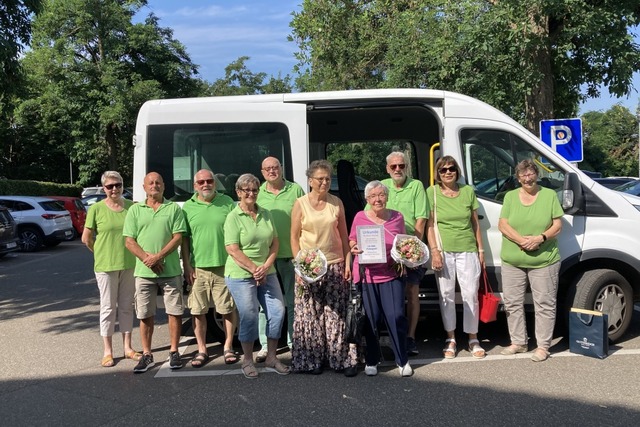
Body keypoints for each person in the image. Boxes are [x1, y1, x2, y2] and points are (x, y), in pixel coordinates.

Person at [290, 160, 358, 377]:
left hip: (335, 263)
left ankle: (341, 359)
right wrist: (300, 267)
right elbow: (293, 238)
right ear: (310, 181)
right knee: (309, 315)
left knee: (335, 315)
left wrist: (347, 262)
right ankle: (311, 361)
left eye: (328, 178)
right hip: (309, 267)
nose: (325, 182)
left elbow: (344, 235)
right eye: (320, 179)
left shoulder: (336, 202)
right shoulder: (300, 203)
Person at [224, 173, 289, 379]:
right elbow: (232, 249)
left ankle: (271, 357)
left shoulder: (266, 213)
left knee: (278, 311)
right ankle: (247, 360)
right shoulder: (233, 217)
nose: (251, 193)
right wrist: (254, 269)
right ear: (238, 192)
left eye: (254, 190)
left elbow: (275, 243)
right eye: (246, 190)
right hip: (241, 274)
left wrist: (265, 266)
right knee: (250, 315)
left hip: (267, 271)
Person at [498, 159, 563, 362]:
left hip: (544, 260)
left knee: (544, 303)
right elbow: (503, 224)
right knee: (512, 303)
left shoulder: (549, 195)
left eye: (530, 174)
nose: (527, 178)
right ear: (518, 178)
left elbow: (557, 225)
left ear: (536, 175)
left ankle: (543, 346)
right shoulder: (510, 197)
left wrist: (539, 238)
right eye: (523, 175)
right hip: (513, 260)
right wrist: (521, 241)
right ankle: (519, 342)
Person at [123, 172, 187, 373]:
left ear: (164, 186)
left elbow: (178, 237)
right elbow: (129, 240)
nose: (154, 185)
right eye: (150, 183)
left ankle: (174, 351)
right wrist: (147, 259)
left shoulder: (173, 209)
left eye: (158, 182)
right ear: (144, 187)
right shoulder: (135, 210)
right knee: (144, 314)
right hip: (144, 272)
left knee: (174, 312)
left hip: (170, 270)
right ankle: (147, 354)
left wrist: (158, 256)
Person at [349, 181, 413, 377]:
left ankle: (402, 359)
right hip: (368, 275)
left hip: (391, 274)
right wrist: (354, 248)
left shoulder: (397, 217)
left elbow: (403, 242)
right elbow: (352, 239)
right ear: (367, 199)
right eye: (373, 196)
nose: (378, 199)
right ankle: (372, 359)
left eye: (381, 195)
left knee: (396, 316)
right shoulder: (360, 216)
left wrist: (406, 253)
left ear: (386, 197)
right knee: (371, 319)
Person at [427, 156, 485, 359]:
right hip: (444, 250)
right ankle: (450, 338)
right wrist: (434, 251)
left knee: (471, 294)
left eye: (451, 169)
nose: (448, 172)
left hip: (467, 249)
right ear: (438, 174)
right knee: (446, 295)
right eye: (443, 170)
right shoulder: (432, 192)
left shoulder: (467, 191)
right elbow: (430, 225)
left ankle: (473, 338)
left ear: (457, 171)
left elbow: (475, 223)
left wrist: (481, 250)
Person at [82, 171, 140, 367]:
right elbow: (86, 238)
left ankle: (128, 347)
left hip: (129, 263)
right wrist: (99, 252)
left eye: (118, 185)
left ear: (123, 185)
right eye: (110, 186)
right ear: (104, 188)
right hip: (106, 266)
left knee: (126, 307)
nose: (114, 189)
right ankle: (107, 350)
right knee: (107, 308)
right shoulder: (96, 209)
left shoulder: (132, 207)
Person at [181, 169, 238, 368]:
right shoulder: (188, 207)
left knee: (227, 309)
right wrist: (187, 265)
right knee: (198, 311)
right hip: (198, 268)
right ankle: (202, 349)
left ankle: (228, 346)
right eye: (201, 182)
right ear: (195, 186)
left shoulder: (227, 202)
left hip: (224, 266)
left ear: (215, 183)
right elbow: (185, 240)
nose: (206, 184)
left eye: (209, 181)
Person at [255, 156, 305, 362]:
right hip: (265, 258)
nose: (272, 171)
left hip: (290, 255)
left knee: (293, 302)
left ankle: (293, 342)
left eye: (275, 167)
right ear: (262, 172)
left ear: (281, 169)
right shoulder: (257, 193)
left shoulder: (295, 190)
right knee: (264, 304)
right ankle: (266, 344)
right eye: (268, 168)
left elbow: (305, 220)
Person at [381, 151, 428, 355]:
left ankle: (410, 338)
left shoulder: (416, 186)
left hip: (409, 248)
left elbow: (421, 219)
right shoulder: (381, 186)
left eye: (401, 166)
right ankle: (393, 336)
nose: (398, 169)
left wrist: (413, 251)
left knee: (412, 293)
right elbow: (369, 214)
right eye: (394, 167)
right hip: (387, 251)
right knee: (392, 295)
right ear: (387, 169)